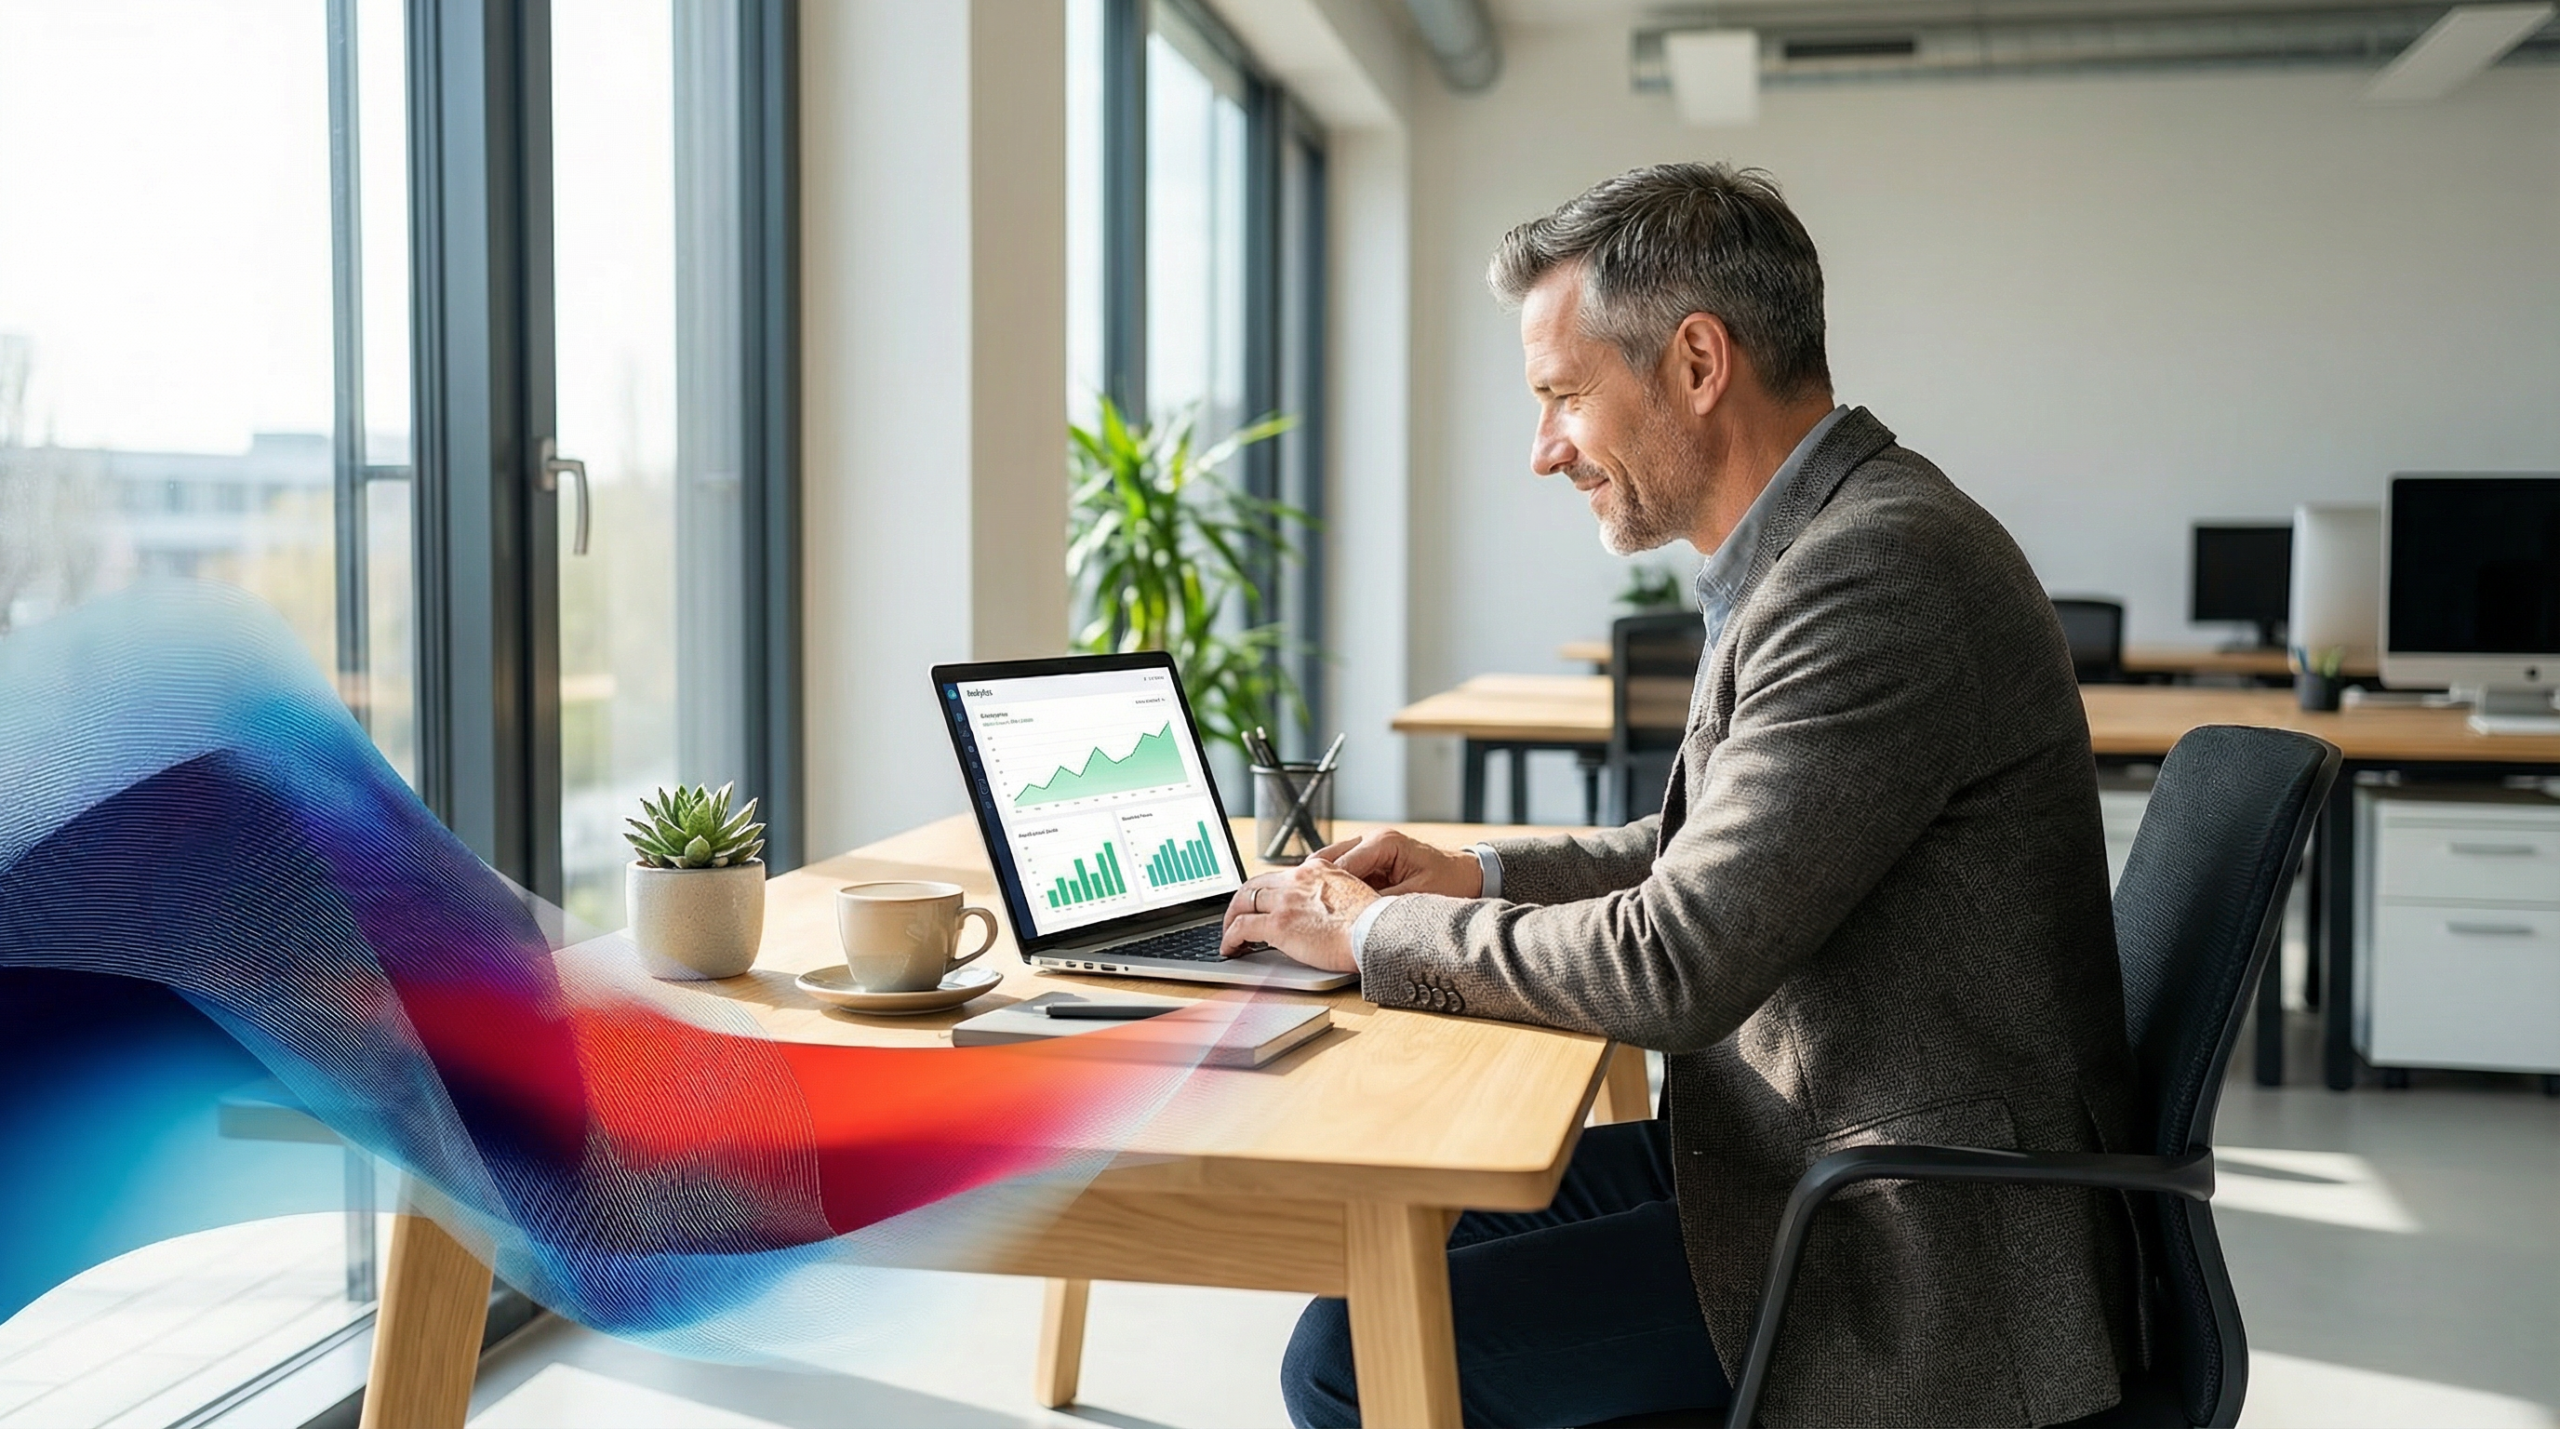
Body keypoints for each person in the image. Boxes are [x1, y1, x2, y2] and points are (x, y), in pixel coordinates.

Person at [1220, 163, 2141, 1428]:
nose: (1542, 450)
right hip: (1804, 1148)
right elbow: (1689, 852)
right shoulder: (1824, 542)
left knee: (1355, 1357)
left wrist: (1374, 935)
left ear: (1697, 364)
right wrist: (1468, 876)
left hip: (1916, 1235)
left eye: (1560, 397)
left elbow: (1676, 963)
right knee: (1377, 1267)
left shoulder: (1874, 572)